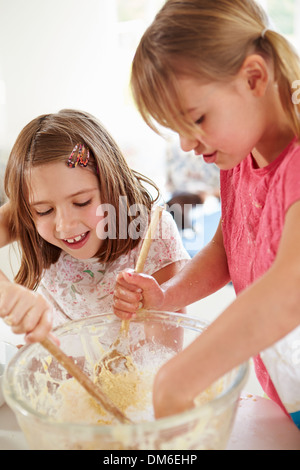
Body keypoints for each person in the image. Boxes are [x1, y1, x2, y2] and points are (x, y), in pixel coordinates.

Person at [113, 0, 300, 428]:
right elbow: (231, 244)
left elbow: (290, 290)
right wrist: (168, 294)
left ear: (254, 77)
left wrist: (177, 380)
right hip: (287, 386)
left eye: (196, 119)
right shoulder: (238, 156)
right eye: (175, 127)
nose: (185, 144)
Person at [0, 109, 189, 343]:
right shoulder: (29, 209)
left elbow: (163, 353)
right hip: (58, 366)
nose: (65, 225)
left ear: (111, 183)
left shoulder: (154, 231)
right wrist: (4, 292)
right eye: (44, 211)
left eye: (82, 202)